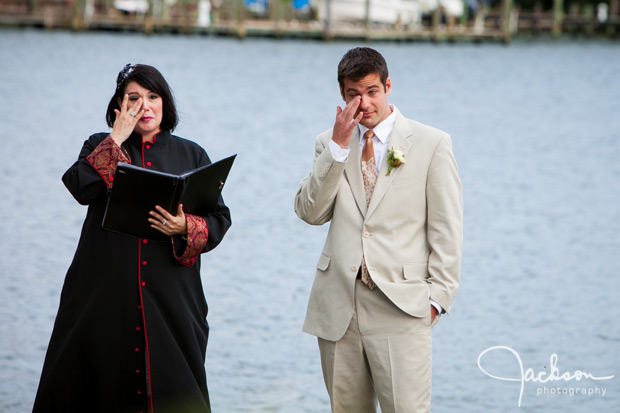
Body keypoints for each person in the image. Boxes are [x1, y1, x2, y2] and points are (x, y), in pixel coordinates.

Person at [33, 64, 231, 413]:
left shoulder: (192, 154)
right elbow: (80, 186)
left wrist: (184, 226)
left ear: (165, 104)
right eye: (134, 99)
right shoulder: (99, 145)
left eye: (153, 97)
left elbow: (219, 219)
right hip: (102, 296)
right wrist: (116, 139)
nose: (145, 106)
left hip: (172, 301)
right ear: (119, 108)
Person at [294, 47, 463, 412]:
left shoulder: (432, 144)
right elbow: (310, 212)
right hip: (338, 307)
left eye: (372, 91)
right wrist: (339, 148)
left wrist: (436, 301)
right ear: (342, 95)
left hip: (402, 307)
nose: (364, 102)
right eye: (354, 94)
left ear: (388, 86)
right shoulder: (328, 143)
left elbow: (447, 230)